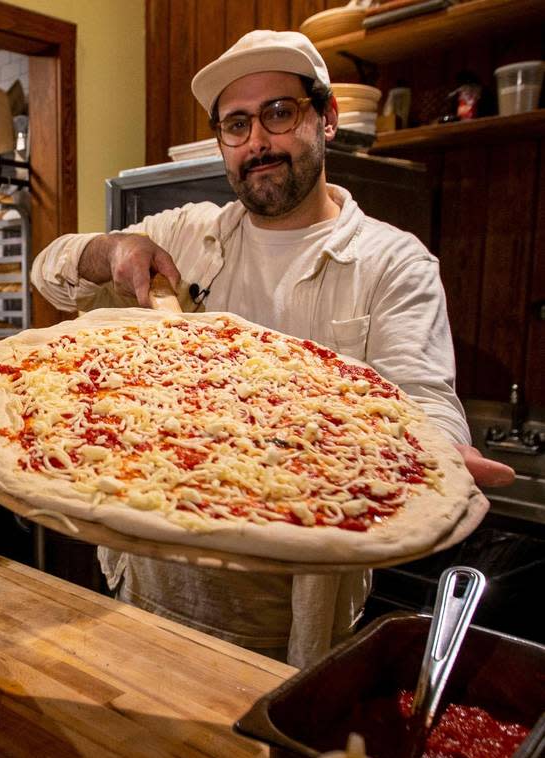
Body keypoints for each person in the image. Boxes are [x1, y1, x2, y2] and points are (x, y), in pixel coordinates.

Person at [30, 30, 514, 666]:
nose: (257, 141)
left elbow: (423, 401)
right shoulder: (184, 232)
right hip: (151, 572)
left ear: (328, 119)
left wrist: (439, 455)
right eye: (236, 124)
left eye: (279, 113)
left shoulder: (394, 261)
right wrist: (112, 249)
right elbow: (51, 270)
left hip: (296, 608)